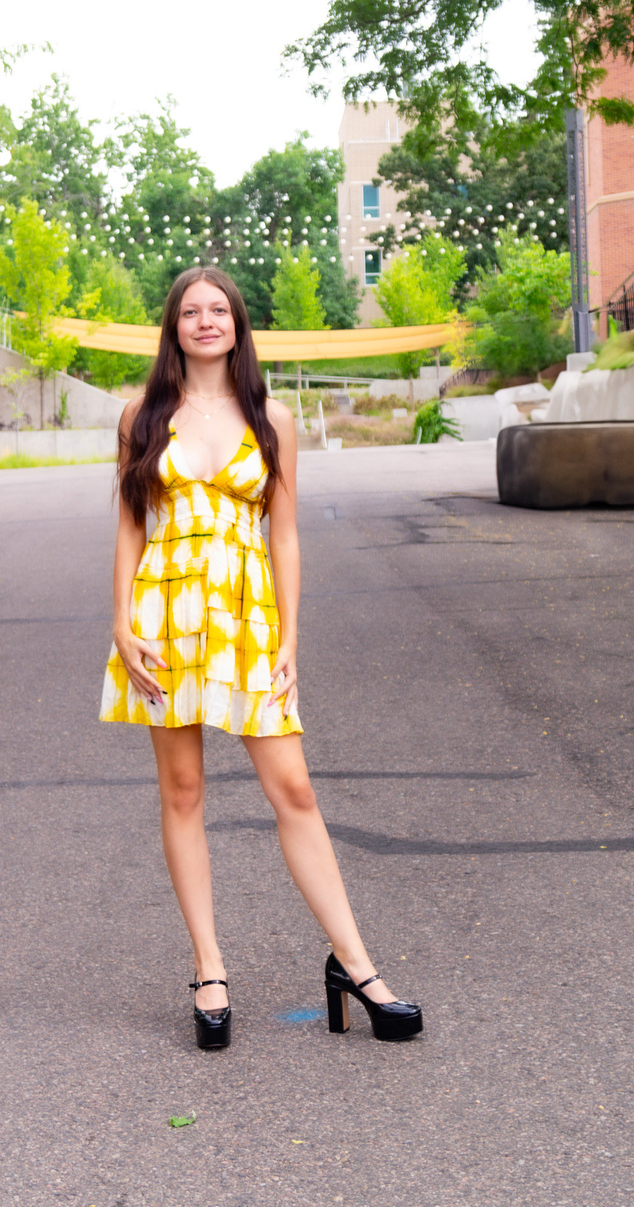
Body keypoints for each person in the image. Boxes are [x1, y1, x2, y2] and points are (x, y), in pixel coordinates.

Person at [100, 266, 422, 1050]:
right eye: (190, 311)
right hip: (164, 616)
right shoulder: (140, 415)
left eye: (218, 310)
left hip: (246, 622)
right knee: (182, 790)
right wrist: (120, 622)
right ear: (172, 326)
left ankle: (356, 964)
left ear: (238, 325)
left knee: (295, 790)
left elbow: (283, 533)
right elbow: (129, 527)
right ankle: (209, 968)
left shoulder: (269, 416)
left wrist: (288, 639)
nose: (205, 321)